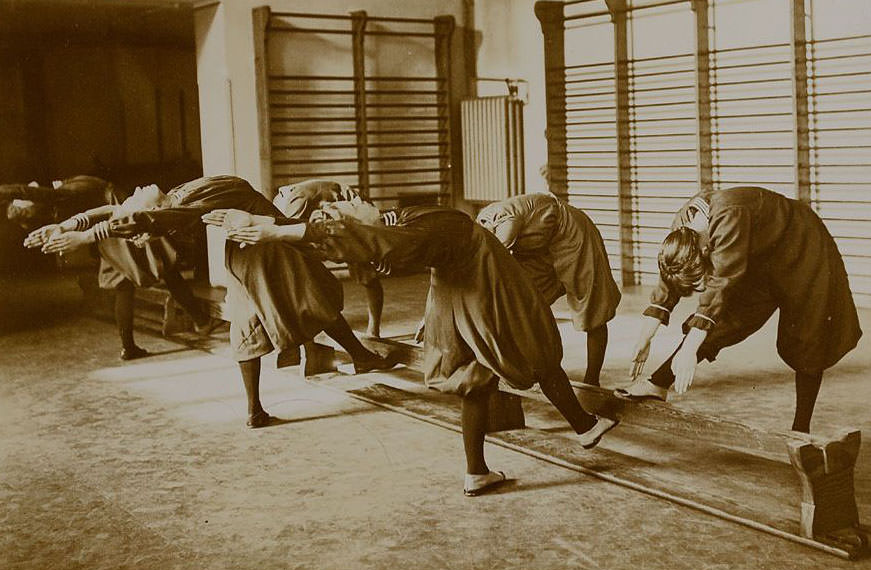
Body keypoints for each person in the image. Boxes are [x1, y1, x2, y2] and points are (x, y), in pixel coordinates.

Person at [204, 199, 620, 496]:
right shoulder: (418, 229)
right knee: (538, 350)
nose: (353, 199)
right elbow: (375, 240)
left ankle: (480, 471)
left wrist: (278, 225)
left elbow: (375, 239)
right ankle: (583, 427)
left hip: (454, 297)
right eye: (343, 208)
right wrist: (280, 230)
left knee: (474, 376)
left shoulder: (403, 228)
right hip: (486, 288)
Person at [37, 175, 396, 428]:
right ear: (153, 215)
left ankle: (261, 406)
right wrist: (84, 238)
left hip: (246, 251)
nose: (135, 191)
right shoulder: (180, 208)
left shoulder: (177, 196)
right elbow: (132, 217)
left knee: (258, 318)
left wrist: (70, 226)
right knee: (311, 299)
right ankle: (358, 359)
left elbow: (113, 213)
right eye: (134, 198)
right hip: (265, 250)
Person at [627, 186, 861, 434]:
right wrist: (645, 336)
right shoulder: (682, 232)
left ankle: (800, 430)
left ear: (704, 253)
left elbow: (718, 289)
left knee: (807, 338)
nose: (699, 288)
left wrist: (690, 348)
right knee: (723, 323)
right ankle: (658, 384)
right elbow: (669, 279)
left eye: (699, 281)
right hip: (758, 253)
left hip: (802, 244)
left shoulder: (729, 220)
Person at [0, 176, 213, 360]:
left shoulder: (60, 189)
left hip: (110, 224)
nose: (26, 190)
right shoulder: (58, 194)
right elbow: (20, 190)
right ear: (32, 202)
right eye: (23, 199)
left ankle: (133, 344)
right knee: (160, 271)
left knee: (135, 279)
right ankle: (196, 322)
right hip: (119, 220)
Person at [476, 192, 621, 385]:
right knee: (523, 301)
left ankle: (592, 380)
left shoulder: (504, 221)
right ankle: (532, 365)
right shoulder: (479, 224)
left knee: (592, 309)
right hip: (538, 246)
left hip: (572, 232)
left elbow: (491, 268)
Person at [273, 179, 384, 338]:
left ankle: (374, 330)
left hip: (352, 208)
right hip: (328, 209)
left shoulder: (292, 206)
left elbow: (301, 235)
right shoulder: (282, 207)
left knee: (366, 274)